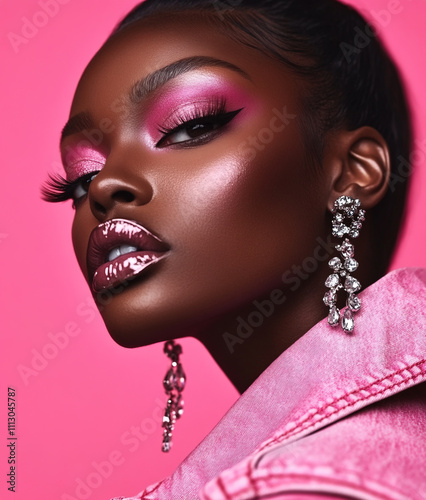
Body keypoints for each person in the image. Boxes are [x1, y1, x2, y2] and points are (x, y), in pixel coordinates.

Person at [43, 0, 426, 498]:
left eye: (191, 125)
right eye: (80, 179)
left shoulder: (303, 485)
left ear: (355, 171)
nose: (103, 187)